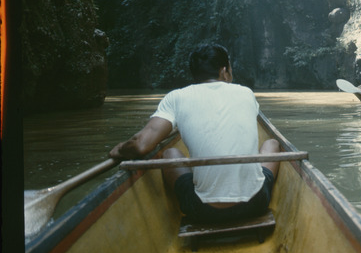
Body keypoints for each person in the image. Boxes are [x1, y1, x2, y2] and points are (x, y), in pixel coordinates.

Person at [109, 43, 282, 223]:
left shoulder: (176, 97)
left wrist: (118, 150)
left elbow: (141, 145)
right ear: (224, 71)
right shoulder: (246, 93)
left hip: (204, 211)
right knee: (272, 144)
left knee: (169, 153)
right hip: (255, 204)